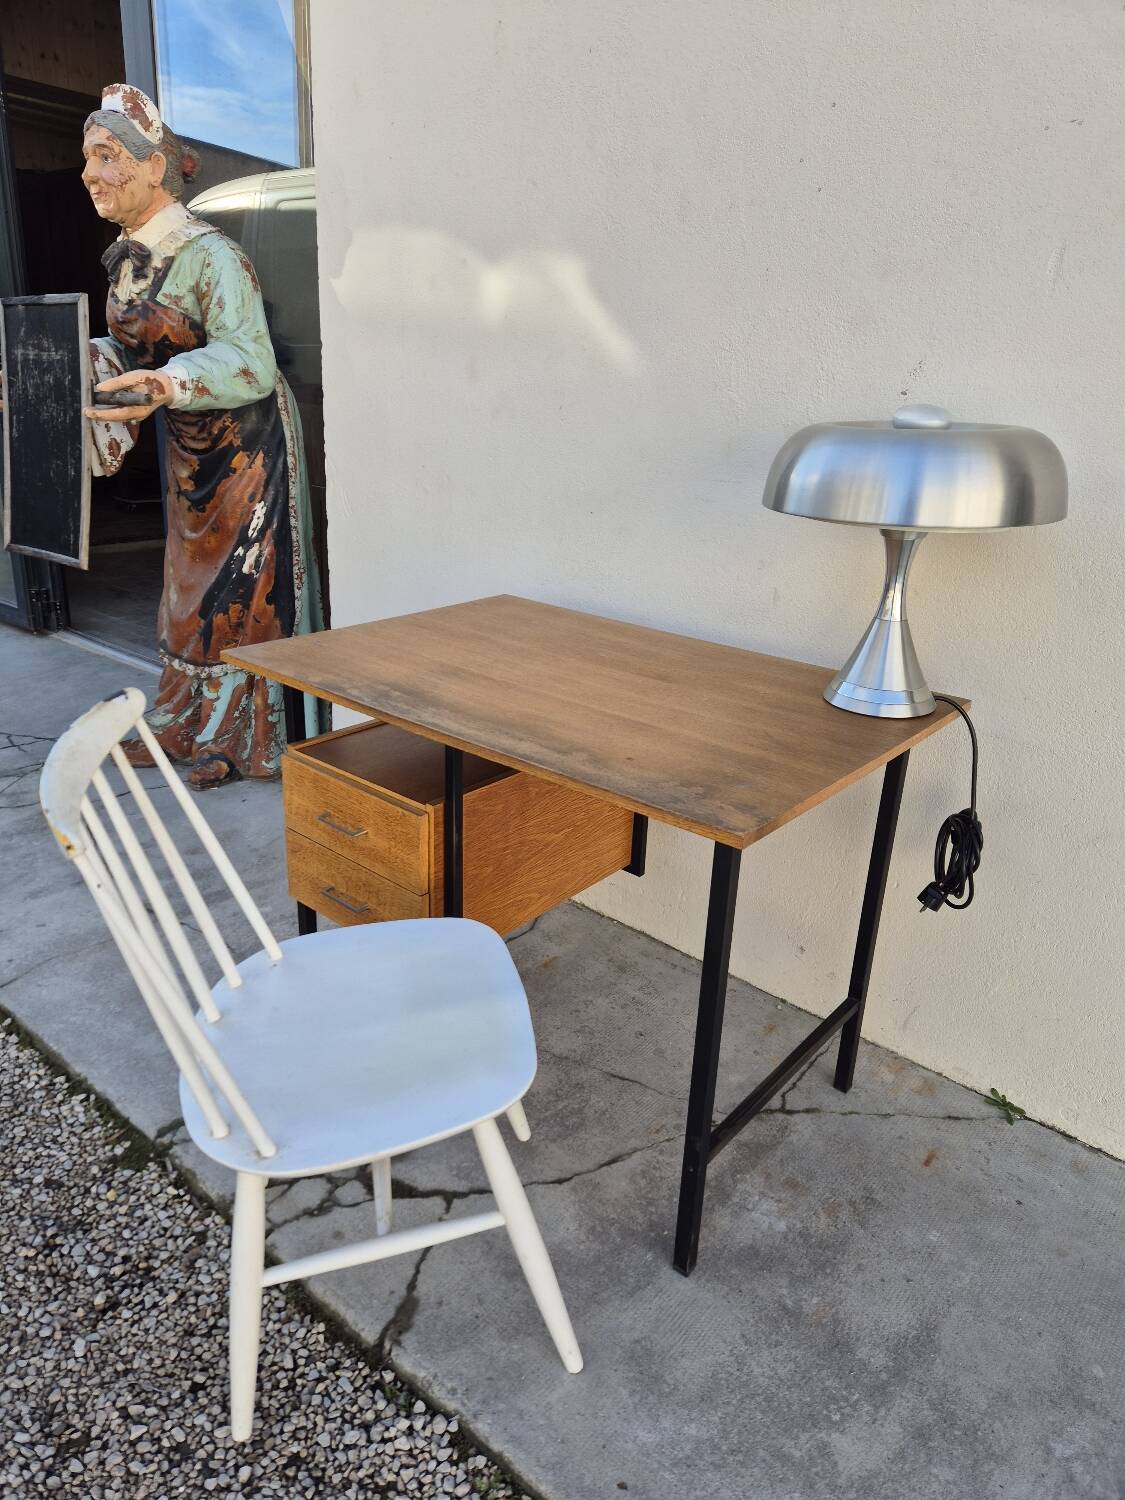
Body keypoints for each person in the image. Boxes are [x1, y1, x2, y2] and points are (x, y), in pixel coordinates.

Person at [82, 84, 322, 790]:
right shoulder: (129, 261)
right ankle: (181, 718)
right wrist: (78, 360)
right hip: (190, 445)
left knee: (239, 592)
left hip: (247, 450)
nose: (92, 174)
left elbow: (249, 359)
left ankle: (244, 738)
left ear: (154, 167)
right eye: (88, 159)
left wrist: (162, 385)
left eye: (106, 156)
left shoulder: (210, 256)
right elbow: (134, 351)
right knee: (186, 586)